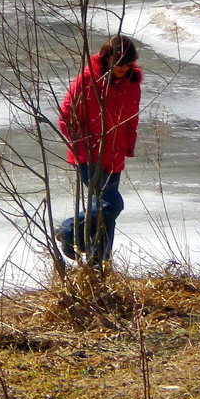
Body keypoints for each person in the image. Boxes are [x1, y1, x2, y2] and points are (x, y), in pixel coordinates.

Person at [56, 35, 143, 263]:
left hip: (115, 156)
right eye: (119, 63)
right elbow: (66, 117)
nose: (124, 68)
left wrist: (128, 146)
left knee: (108, 214)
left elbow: (132, 118)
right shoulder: (88, 79)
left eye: (128, 63)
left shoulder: (132, 83)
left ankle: (100, 263)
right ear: (108, 58)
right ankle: (68, 231)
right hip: (89, 156)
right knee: (112, 204)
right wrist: (83, 147)